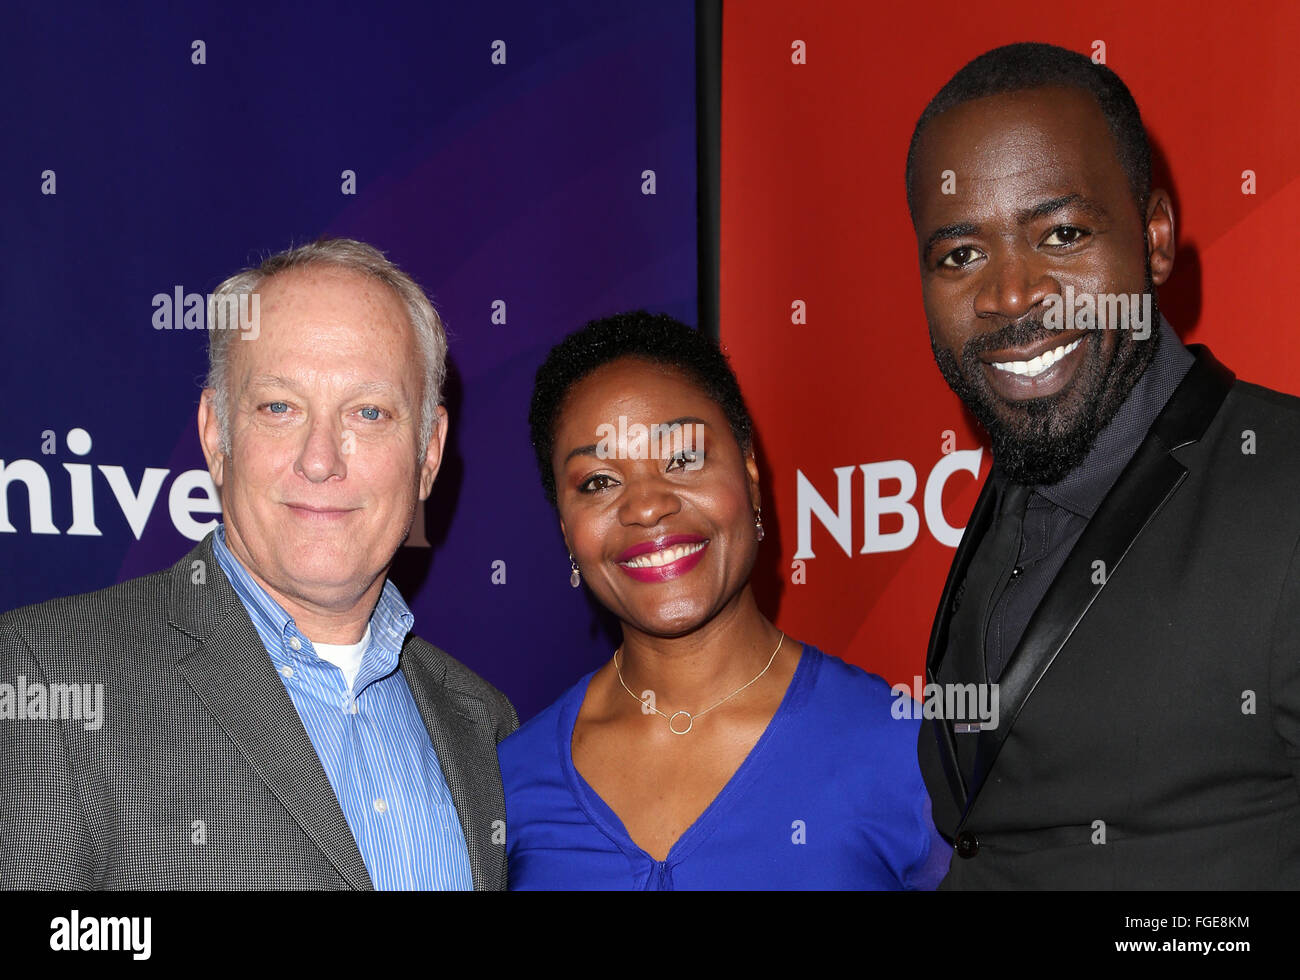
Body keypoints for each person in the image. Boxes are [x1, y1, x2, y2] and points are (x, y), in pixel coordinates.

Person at [0, 238, 517, 889]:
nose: (322, 458)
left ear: (429, 452)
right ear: (217, 436)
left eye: (369, 411)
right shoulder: (43, 680)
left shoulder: (485, 723)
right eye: (280, 407)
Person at [906, 42, 1300, 888]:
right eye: (960, 255)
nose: (1011, 295)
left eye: (1064, 233)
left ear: (1155, 240)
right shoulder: (1019, 484)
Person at [498, 311, 948, 889]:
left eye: (682, 458)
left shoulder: (904, 750)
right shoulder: (508, 785)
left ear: (751, 476)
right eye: (598, 481)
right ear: (566, 530)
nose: (645, 505)